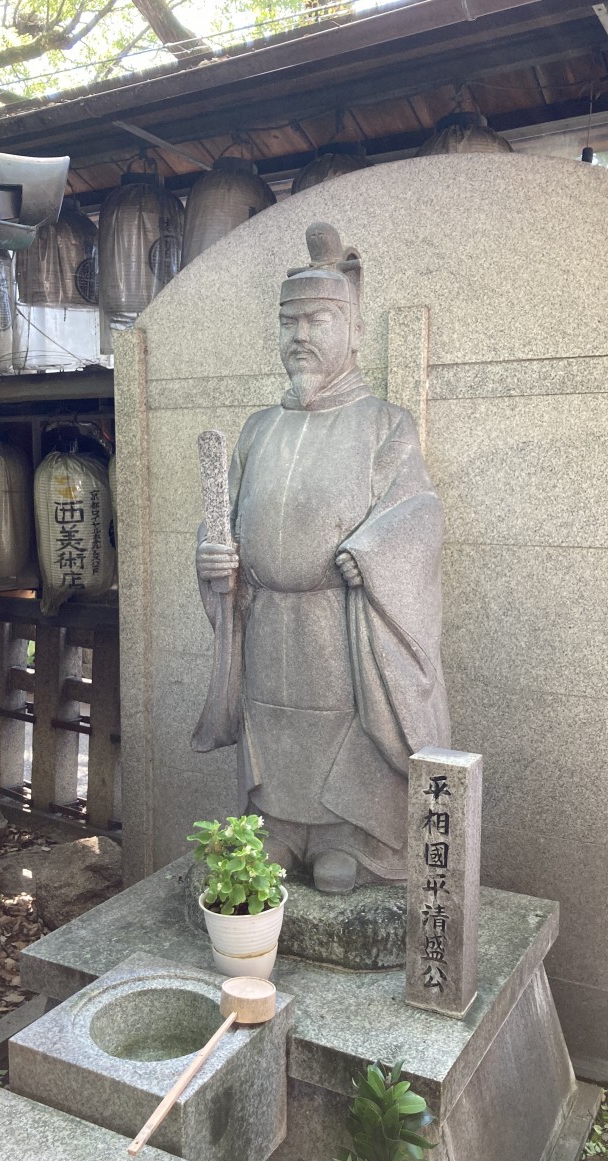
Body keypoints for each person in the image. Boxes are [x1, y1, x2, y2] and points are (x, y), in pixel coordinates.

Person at [194, 221, 450, 893]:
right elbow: (223, 520)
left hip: (342, 617)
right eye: (288, 323)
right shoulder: (259, 428)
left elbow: (417, 514)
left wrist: (371, 552)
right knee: (271, 720)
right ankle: (277, 825)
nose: (299, 336)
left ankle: (349, 837)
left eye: (318, 320)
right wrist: (216, 560)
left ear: (355, 332)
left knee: (346, 725)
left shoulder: (384, 425)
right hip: (268, 615)